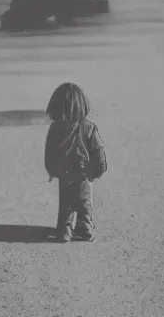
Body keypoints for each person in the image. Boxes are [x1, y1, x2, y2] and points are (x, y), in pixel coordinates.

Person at [44, 82, 107, 243]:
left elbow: (50, 152)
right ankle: (84, 226)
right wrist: (98, 170)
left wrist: (52, 170)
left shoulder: (55, 128)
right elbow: (98, 150)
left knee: (66, 202)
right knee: (84, 200)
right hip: (85, 173)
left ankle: (64, 230)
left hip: (65, 173)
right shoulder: (89, 128)